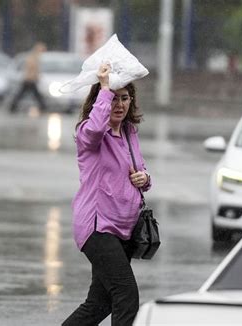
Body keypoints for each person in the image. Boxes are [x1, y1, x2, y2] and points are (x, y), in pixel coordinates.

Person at [62, 63, 151, 326]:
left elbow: (141, 171)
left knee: (99, 304)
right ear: (99, 101)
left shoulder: (128, 132)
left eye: (124, 98)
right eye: (113, 98)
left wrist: (144, 178)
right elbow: (94, 130)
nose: (119, 104)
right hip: (97, 228)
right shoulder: (88, 134)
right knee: (126, 295)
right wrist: (104, 88)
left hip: (123, 229)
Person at [9, 42, 47, 113]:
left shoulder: (34, 57)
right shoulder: (33, 57)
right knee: (33, 94)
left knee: (23, 94)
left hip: (29, 79)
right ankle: (43, 107)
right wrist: (35, 77)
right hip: (29, 79)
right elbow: (32, 69)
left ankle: (13, 106)